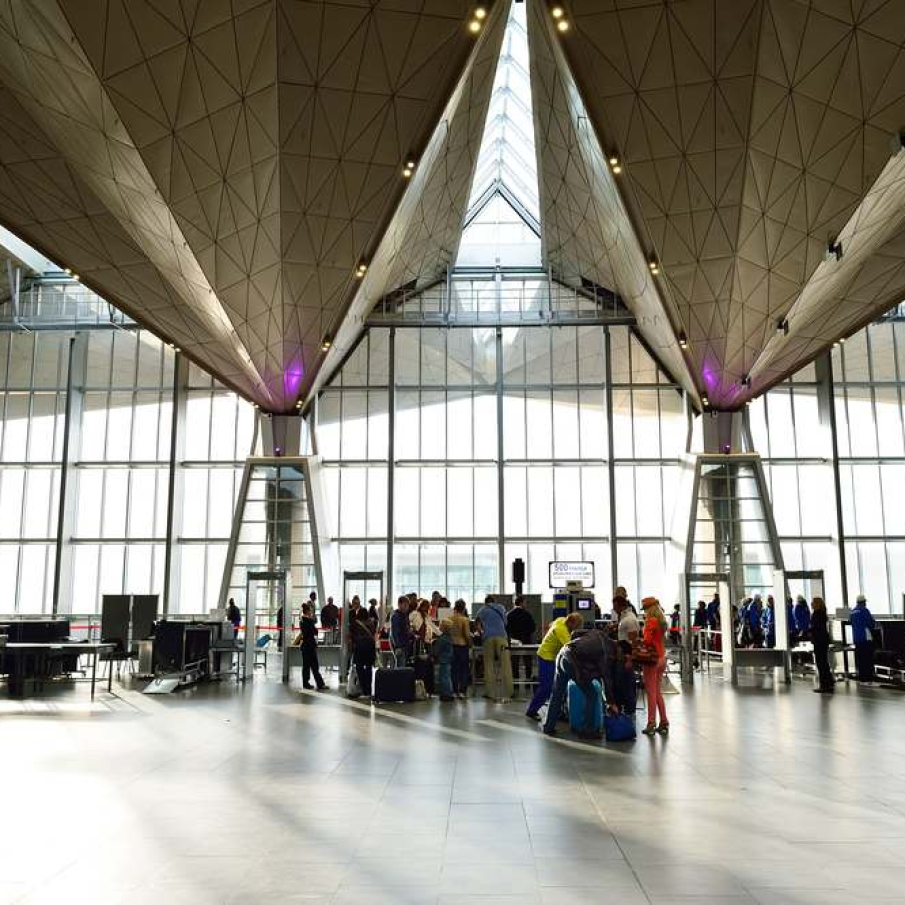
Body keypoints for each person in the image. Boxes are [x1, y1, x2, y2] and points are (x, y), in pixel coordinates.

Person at [542, 627, 619, 739]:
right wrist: (611, 702)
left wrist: (578, 648)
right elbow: (606, 678)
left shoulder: (598, 633)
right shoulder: (606, 652)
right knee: (591, 694)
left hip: (563, 653)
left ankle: (548, 726)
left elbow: (575, 633)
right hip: (572, 662)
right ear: (618, 649)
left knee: (557, 693)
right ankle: (587, 730)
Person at [525, 612, 582, 720]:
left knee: (559, 686)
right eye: (576, 626)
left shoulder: (561, 620)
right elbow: (570, 649)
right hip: (546, 657)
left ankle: (559, 712)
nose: (577, 629)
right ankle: (531, 711)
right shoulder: (562, 631)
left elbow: (550, 625)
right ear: (570, 622)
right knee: (546, 687)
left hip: (553, 657)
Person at [475, 596, 513, 702]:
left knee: (488, 665)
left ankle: (490, 693)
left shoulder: (482, 609)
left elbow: (477, 624)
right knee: (505, 664)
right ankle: (508, 693)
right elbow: (505, 623)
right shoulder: (501, 608)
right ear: (494, 601)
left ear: (485, 602)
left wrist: (481, 632)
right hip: (501, 637)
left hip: (488, 638)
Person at [640, 596, 669, 736]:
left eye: (645, 609)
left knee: (651, 693)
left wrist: (639, 640)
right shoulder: (662, 621)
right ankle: (664, 722)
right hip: (662, 658)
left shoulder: (650, 621)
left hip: (651, 660)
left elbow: (647, 641)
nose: (644, 612)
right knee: (657, 692)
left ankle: (651, 723)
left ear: (649, 609)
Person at [506, 596, 536, 687]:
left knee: (514, 662)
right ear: (521, 603)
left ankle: (515, 683)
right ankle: (528, 683)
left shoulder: (509, 614)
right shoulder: (527, 614)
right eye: (525, 602)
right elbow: (532, 628)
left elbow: (506, 629)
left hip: (514, 641)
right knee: (528, 662)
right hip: (526, 641)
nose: (526, 604)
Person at [348, 608, 376, 698]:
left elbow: (350, 637)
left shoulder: (354, 624)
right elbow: (374, 634)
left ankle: (363, 690)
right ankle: (368, 690)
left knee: (360, 668)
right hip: (370, 648)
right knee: (369, 668)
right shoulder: (371, 623)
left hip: (359, 648)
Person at [300, 602, 326, 691]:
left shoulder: (302, 620)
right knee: (314, 665)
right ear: (307, 611)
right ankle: (320, 684)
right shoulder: (308, 621)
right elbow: (315, 631)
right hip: (310, 646)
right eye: (310, 611)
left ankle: (306, 683)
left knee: (306, 666)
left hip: (305, 646)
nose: (311, 612)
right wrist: (312, 621)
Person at [850, 594, 877, 683]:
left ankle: (862, 677)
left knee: (860, 658)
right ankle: (868, 677)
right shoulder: (864, 610)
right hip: (865, 638)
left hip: (856, 638)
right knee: (867, 658)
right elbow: (870, 623)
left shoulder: (852, 611)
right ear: (863, 602)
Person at [811, 596, 834, 694]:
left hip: (819, 641)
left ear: (817, 604)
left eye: (813, 602)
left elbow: (816, 628)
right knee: (824, 662)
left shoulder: (816, 614)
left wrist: (809, 631)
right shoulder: (823, 613)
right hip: (823, 640)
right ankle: (829, 682)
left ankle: (824, 685)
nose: (811, 604)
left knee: (821, 663)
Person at [450, 599, 473, 699]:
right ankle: (462, 691)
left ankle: (454, 691)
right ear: (464, 608)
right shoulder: (465, 619)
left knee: (454, 669)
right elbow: (467, 635)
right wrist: (471, 644)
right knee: (464, 669)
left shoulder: (449, 618)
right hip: (462, 646)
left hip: (452, 646)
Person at [434, 619, 454, 701]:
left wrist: (432, 655)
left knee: (444, 677)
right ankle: (448, 693)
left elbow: (437, 649)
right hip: (448, 659)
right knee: (447, 677)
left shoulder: (443, 638)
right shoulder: (449, 637)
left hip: (444, 660)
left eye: (441, 624)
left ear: (444, 627)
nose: (439, 626)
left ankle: (446, 694)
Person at [390, 596, 411, 665]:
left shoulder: (404, 615)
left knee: (403, 665)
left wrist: (412, 635)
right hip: (399, 645)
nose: (407, 607)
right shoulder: (396, 616)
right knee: (400, 666)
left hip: (405, 644)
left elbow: (407, 629)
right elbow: (394, 632)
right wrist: (397, 646)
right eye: (405, 605)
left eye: (407, 605)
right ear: (399, 604)